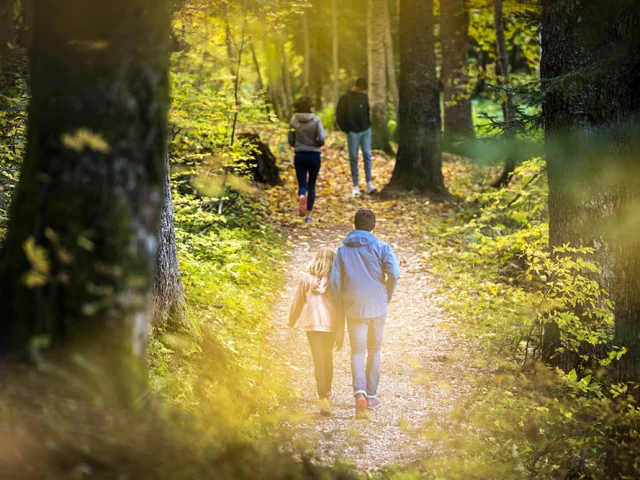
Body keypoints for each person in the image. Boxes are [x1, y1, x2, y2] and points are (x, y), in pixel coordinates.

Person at [330, 209, 400, 418]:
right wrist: (386, 295)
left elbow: (335, 281)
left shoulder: (342, 250)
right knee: (374, 351)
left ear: (355, 225)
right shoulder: (382, 247)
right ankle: (370, 396)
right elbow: (394, 274)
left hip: (353, 307)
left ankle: (358, 392)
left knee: (357, 352)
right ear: (373, 226)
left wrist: (340, 304)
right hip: (377, 305)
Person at [289, 248, 344, 415]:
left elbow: (298, 301)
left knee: (318, 361)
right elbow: (341, 308)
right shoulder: (336, 282)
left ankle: (323, 398)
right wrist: (341, 331)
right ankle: (327, 392)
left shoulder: (306, 280)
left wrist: (292, 320)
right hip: (331, 326)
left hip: (313, 326)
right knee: (328, 359)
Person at [335, 77, 378, 197]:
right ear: (356, 86)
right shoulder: (345, 98)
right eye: (360, 89)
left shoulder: (364, 97)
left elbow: (366, 111)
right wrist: (347, 130)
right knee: (353, 157)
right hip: (353, 132)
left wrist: (368, 123)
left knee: (367, 155)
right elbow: (339, 116)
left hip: (365, 130)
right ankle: (356, 186)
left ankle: (369, 184)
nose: (361, 92)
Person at [288, 96, 326, 223]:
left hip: (300, 155)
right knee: (312, 185)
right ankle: (308, 215)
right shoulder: (316, 120)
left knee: (302, 184)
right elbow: (322, 139)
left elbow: (290, 140)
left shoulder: (294, 120)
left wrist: (298, 144)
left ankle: (301, 195)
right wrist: (315, 142)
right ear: (310, 106)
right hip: (314, 156)